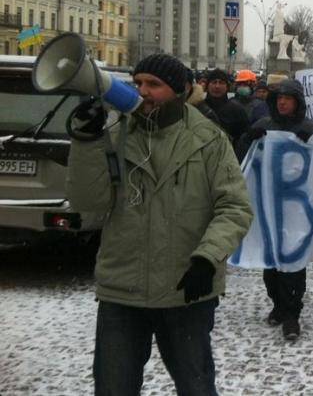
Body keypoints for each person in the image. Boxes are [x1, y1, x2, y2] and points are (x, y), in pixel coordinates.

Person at [65, 53, 253, 396]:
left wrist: (207, 258)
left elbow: (235, 207)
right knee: (113, 388)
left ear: (180, 91)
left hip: (186, 288)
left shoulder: (209, 139)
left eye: (154, 84)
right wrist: (86, 142)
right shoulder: (115, 131)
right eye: (138, 83)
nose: (143, 91)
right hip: (123, 289)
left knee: (196, 387)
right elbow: (89, 204)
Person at [235, 79, 313, 339]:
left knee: (293, 261)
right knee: (270, 262)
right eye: (279, 98)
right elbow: (242, 158)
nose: (282, 102)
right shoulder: (264, 125)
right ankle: (278, 304)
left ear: (297, 102)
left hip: (296, 208)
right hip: (268, 204)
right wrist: (249, 138)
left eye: (287, 98)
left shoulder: (309, 129)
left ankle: (292, 314)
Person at [204, 68, 250, 144]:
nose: (217, 86)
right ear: (207, 86)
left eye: (221, 83)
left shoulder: (237, 110)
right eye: (214, 82)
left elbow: (244, 136)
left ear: (227, 87)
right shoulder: (199, 108)